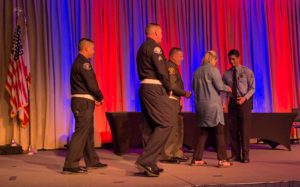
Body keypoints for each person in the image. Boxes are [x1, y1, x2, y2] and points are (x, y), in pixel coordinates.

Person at [135, 23, 178, 177]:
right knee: (166, 123)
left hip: (145, 88)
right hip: (154, 88)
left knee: (153, 126)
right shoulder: (154, 47)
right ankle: (146, 160)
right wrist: (168, 87)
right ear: (154, 33)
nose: (162, 36)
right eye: (160, 33)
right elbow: (161, 70)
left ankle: (150, 161)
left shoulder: (141, 48)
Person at [63, 38, 107, 174]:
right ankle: (70, 165)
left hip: (83, 101)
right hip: (82, 102)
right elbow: (91, 84)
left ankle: (92, 161)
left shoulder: (80, 62)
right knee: (81, 132)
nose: (94, 52)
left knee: (87, 132)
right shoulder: (84, 64)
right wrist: (100, 96)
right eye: (93, 49)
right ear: (86, 48)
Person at [191, 50, 232, 168]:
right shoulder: (213, 70)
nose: (216, 62)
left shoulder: (197, 71)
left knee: (204, 132)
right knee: (219, 132)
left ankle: (196, 159)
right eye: (216, 60)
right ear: (212, 59)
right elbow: (219, 86)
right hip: (212, 106)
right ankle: (222, 160)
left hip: (200, 106)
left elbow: (194, 87)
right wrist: (228, 88)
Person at [223, 49, 255, 163]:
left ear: (239, 58)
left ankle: (245, 155)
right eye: (230, 59)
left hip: (244, 103)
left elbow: (252, 88)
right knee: (233, 130)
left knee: (244, 130)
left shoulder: (247, 71)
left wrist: (244, 98)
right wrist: (223, 103)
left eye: (234, 59)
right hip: (232, 103)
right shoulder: (226, 74)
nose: (232, 61)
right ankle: (235, 154)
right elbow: (224, 90)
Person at [160, 47, 191, 164]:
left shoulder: (174, 67)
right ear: (173, 56)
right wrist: (185, 93)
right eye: (180, 56)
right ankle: (167, 154)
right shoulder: (171, 67)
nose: (182, 59)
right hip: (170, 101)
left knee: (178, 127)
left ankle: (176, 152)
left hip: (175, 101)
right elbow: (172, 86)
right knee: (172, 128)